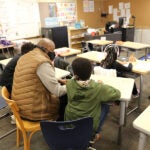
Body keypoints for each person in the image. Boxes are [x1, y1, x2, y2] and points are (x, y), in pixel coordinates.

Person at [64, 57, 121, 142]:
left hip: (69, 123)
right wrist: (102, 84)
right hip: (88, 126)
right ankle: (93, 135)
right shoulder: (98, 88)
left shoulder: (69, 84)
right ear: (91, 72)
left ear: (75, 73)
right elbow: (117, 94)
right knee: (105, 104)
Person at [11, 38, 67, 121]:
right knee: (65, 97)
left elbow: (34, 77)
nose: (53, 53)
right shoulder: (42, 62)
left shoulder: (26, 56)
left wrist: (58, 80)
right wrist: (72, 85)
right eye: (52, 51)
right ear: (45, 49)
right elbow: (57, 91)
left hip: (21, 107)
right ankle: (59, 129)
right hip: (34, 111)